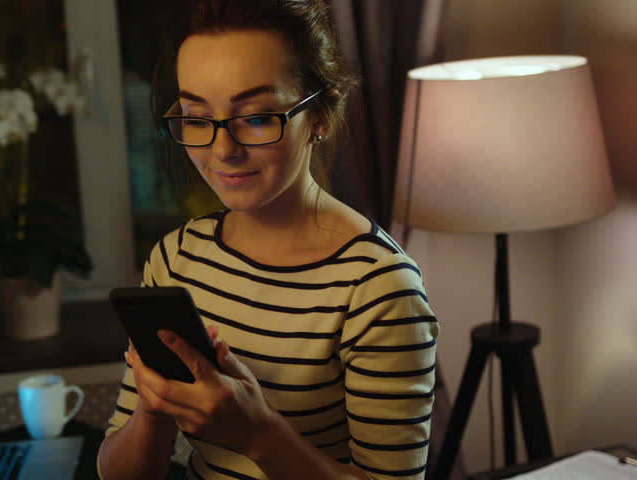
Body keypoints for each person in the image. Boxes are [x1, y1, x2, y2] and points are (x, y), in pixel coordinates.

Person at [98, 1, 438, 479]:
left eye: (256, 118)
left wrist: (260, 435)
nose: (222, 151)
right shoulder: (177, 258)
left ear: (318, 115)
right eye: (197, 118)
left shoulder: (377, 286)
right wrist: (153, 409)